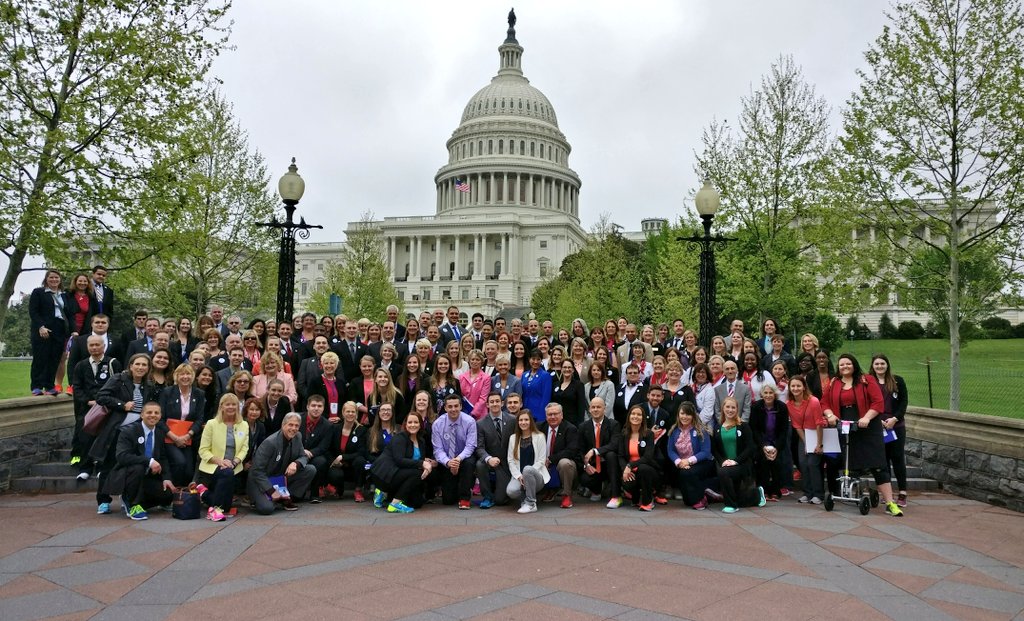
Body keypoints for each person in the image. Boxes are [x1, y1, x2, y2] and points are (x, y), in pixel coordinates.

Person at [822, 354, 903, 517]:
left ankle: (890, 503)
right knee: (849, 464)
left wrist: (867, 417)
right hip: (846, 427)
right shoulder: (834, 383)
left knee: (878, 465)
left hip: (868, 426)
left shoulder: (866, 380)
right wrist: (830, 415)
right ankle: (851, 492)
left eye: (848, 364)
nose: (845, 366)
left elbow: (878, 402)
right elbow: (825, 402)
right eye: (842, 364)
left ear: (854, 365)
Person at [92, 353, 157, 514]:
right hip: (117, 430)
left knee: (132, 466)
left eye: (144, 365)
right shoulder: (119, 379)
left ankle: (127, 498)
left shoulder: (149, 385)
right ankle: (103, 500)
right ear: (131, 365)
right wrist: (122, 404)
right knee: (108, 465)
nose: (141, 367)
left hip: (136, 433)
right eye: (138, 364)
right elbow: (101, 397)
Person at [106, 401, 175, 520]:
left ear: (160, 416)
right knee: (138, 466)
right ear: (142, 415)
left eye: (156, 413)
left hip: (148, 476)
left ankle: (134, 500)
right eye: (149, 412)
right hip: (128, 473)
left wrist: (166, 478)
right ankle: (132, 504)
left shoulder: (159, 433)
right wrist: (149, 461)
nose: (153, 415)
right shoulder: (128, 432)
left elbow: (163, 457)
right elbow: (122, 456)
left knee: (167, 495)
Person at [70, 335, 122, 479]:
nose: (94, 348)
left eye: (97, 345)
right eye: (91, 345)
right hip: (87, 408)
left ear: (103, 346)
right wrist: (88, 401)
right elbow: (77, 387)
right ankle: (85, 468)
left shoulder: (113, 363)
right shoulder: (81, 365)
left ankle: (101, 467)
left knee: (105, 438)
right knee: (85, 437)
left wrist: (107, 401)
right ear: (87, 347)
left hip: (107, 408)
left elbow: (119, 384)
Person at [247, 412, 316, 514]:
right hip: (261, 479)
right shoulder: (270, 443)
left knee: (310, 469)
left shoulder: (297, 436)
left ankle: (286, 497)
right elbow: (257, 471)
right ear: (283, 425)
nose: (293, 428)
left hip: (280, 476)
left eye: (296, 426)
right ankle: (260, 498)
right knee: (267, 509)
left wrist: (296, 463)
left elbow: (303, 456)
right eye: (290, 425)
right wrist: (271, 491)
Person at [195, 394, 249, 521]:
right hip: (212, 466)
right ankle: (214, 510)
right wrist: (220, 461)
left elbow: (244, 448)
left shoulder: (244, 425)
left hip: (233, 467)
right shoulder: (211, 424)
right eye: (227, 404)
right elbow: (203, 450)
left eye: (234, 404)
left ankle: (204, 493)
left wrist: (235, 462)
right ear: (221, 407)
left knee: (227, 506)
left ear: (238, 406)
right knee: (227, 473)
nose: (231, 407)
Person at [369, 411, 436, 513]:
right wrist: (422, 464)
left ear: (420, 425)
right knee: (417, 474)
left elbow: (417, 460)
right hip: (385, 475)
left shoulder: (421, 441)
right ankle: (394, 503)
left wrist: (427, 465)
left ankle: (386, 494)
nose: (412, 425)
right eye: (410, 422)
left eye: (416, 422)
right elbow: (399, 460)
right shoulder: (399, 438)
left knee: (417, 503)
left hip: (401, 474)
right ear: (405, 424)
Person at [711, 396, 765, 513]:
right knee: (738, 498)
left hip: (743, 464)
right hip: (726, 464)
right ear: (723, 408)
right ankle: (756, 494)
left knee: (723, 472)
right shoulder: (717, 428)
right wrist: (722, 461)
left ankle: (731, 505)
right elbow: (715, 450)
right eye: (727, 407)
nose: (730, 410)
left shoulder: (744, 426)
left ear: (737, 409)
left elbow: (750, 447)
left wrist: (735, 461)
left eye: (733, 407)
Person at [157, 364, 206, 486]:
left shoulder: (199, 393)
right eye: (182, 374)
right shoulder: (167, 392)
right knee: (180, 463)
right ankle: (172, 492)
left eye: (188, 374)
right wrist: (174, 437)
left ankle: (183, 496)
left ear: (193, 376)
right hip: (169, 437)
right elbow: (160, 418)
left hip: (188, 438)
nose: (185, 377)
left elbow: (200, 419)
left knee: (189, 470)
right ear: (176, 376)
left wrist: (188, 435)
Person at [872, 354, 909, 507]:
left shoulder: (897, 381)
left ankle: (902, 492)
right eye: (877, 364)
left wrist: (895, 418)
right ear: (872, 366)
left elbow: (903, 402)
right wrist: (877, 420)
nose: (880, 366)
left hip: (896, 426)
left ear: (887, 365)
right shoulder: (869, 382)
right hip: (878, 426)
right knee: (883, 460)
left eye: (882, 363)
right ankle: (887, 493)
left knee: (897, 458)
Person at [431, 394, 478, 509]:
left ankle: (465, 498)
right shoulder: (437, 424)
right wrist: (448, 462)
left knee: (469, 463)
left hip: (464, 458)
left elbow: (470, 446)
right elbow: (438, 450)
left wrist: (458, 459)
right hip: (447, 460)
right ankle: (460, 487)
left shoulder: (470, 421)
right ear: (445, 408)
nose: (453, 409)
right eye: (450, 407)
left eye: (456, 406)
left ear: (461, 406)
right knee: (448, 500)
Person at [667, 402, 717, 510]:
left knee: (687, 473)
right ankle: (692, 498)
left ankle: (699, 499)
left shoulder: (701, 430)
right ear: (678, 414)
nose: (684, 417)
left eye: (688, 414)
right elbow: (670, 451)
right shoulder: (674, 431)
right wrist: (679, 462)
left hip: (703, 462)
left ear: (693, 416)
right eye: (682, 413)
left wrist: (688, 461)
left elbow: (705, 452)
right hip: (683, 463)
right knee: (683, 475)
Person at [28, 270, 70, 395]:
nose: (54, 280)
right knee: (41, 357)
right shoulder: (38, 292)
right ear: (46, 279)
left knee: (55, 358)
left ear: (60, 279)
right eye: (51, 277)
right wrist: (40, 326)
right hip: (43, 328)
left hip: (59, 328)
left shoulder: (63, 295)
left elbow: (68, 313)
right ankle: (36, 386)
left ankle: (49, 385)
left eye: (56, 277)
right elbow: (33, 311)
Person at [788, 375, 826, 505]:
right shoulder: (789, 404)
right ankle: (807, 493)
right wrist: (806, 443)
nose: (795, 388)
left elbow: (819, 423)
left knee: (812, 463)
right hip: (804, 435)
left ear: (804, 387)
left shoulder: (813, 401)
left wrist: (818, 444)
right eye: (793, 386)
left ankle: (818, 494)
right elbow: (797, 425)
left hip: (817, 433)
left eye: (798, 385)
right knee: (803, 463)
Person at [749, 384, 791, 502]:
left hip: (777, 441)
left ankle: (775, 491)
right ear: (762, 394)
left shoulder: (782, 407)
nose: (768, 395)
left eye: (770, 393)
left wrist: (777, 447)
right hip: (761, 442)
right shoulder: (756, 407)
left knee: (776, 463)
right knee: (763, 464)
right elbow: (754, 429)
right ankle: (764, 491)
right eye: (766, 393)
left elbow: (784, 430)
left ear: (775, 394)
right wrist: (763, 446)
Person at [578, 397, 621, 508]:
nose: (596, 409)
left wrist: (595, 451)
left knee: (611, 455)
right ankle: (597, 490)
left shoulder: (613, 424)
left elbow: (614, 445)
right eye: (593, 407)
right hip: (592, 465)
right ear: (589, 409)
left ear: (604, 409)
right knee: (584, 478)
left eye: (599, 407)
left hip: (608, 465)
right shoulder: (583, 427)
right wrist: (586, 465)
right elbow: (580, 450)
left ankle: (615, 496)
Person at [474, 392, 516, 509]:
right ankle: (487, 496)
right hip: (491, 460)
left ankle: (499, 491)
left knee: (500, 500)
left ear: (502, 403)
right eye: (491, 402)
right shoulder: (480, 424)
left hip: (507, 462)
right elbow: (479, 447)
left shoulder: (513, 420)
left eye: (497, 401)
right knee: (480, 464)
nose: (494, 404)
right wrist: (488, 458)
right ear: (487, 404)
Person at [58, 273, 97, 393]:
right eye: (80, 281)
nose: (82, 283)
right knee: (62, 357)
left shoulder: (90, 297)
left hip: (83, 330)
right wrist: (72, 330)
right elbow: (65, 312)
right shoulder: (67, 295)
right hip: (67, 329)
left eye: (85, 281)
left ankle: (75, 385)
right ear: (75, 282)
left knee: (78, 359)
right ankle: (58, 384)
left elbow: (92, 315)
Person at [506, 410, 549, 514]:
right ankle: (524, 499)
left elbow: (541, 460)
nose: (523, 422)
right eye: (521, 420)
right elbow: (510, 460)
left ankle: (531, 503)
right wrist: (519, 476)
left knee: (527, 469)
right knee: (511, 491)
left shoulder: (540, 436)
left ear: (531, 422)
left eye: (526, 419)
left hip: (536, 476)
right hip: (520, 476)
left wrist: (527, 474)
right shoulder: (513, 438)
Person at [618, 405, 660, 511]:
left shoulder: (648, 434)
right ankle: (636, 498)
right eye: (633, 414)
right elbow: (621, 456)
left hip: (648, 470)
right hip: (631, 471)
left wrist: (630, 465)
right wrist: (625, 469)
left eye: (639, 414)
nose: (635, 416)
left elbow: (648, 457)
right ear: (629, 416)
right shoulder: (624, 434)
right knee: (628, 482)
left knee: (643, 468)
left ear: (643, 418)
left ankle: (648, 501)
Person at [538, 403, 580, 505]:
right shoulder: (539, 427)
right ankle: (545, 491)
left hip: (561, 464)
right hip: (543, 463)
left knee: (565, 463)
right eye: (550, 414)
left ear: (561, 415)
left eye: (556, 414)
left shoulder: (570, 429)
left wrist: (550, 459)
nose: (552, 417)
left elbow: (571, 451)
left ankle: (566, 495)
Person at [326, 401, 369, 501]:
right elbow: (328, 449)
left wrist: (343, 457)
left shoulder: (361, 430)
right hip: (337, 464)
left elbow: (361, 452)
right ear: (343, 413)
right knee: (336, 475)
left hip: (353, 465)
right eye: (348, 411)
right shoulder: (335, 428)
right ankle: (338, 489)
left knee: (360, 460)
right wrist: (334, 461)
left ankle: (358, 490)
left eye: (353, 412)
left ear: (356, 414)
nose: (350, 414)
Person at [551, 359, 587, 426]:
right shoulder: (555, 384)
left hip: (572, 423)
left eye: (569, 367)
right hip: (557, 422)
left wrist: (580, 424)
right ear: (561, 369)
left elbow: (581, 407)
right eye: (564, 367)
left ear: (573, 370)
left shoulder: (579, 385)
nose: (567, 369)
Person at [521, 349, 552, 424]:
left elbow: (546, 398)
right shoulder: (524, 375)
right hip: (525, 412)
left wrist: (541, 417)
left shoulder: (545, 376)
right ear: (529, 359)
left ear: (541, 361)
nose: (535, 362)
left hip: (538, 413)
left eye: (538, 359)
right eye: (533, 359)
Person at [458, 349, 490, 420]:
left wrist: (473, 413)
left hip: (480, 415)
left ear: (481, 361)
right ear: (469, 360)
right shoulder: (462, 377)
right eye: (472, 359)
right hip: (463, 414)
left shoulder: (486, 378)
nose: (474, 362)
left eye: (477, 359)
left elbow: (483, 398)